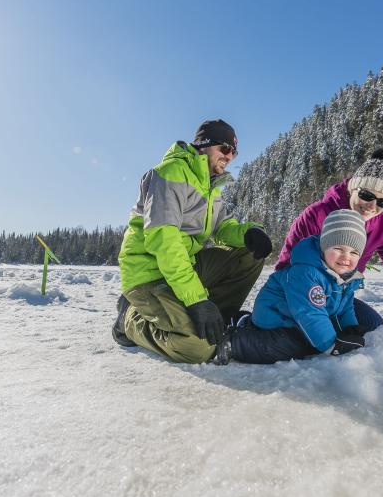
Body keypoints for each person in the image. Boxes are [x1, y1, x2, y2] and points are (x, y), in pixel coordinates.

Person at [113, 119, 273, 364]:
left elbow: (223, 226)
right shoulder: (169, 174)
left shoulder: (209, 186)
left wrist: (249, 233)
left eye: (234, 152)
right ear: (204, 145)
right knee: (197, 348)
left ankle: (216, 319)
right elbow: (164, 243)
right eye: (225, 149)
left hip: (182, 267)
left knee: (249, 253)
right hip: (149, 277)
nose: (230, 157)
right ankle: (130, 319)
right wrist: (196, 299)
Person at [273, 148, 383, 329]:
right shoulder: (317, 214)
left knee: (376, 332)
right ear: (353, 188)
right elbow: (286, 267)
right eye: (367, 195)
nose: (372, 206)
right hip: (300, 298)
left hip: (339, 302)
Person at [229, 210, 374, 363]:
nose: (346, 257)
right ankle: (235, 343)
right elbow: (309, 313)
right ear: (324, 246)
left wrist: (350, 329)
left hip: (295, 319)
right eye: (338, 249)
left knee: (316, 336)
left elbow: (345, 308)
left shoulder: (347, 277)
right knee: (297, 345)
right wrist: (331, 345)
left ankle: (243, 321)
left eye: (354, 252)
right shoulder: (307, 272)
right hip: (275, 316)